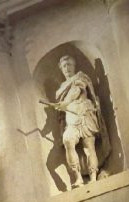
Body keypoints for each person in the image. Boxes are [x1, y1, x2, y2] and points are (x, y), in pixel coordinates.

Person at [45, 54, 106, 189]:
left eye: (69, 65)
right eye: (64, 66)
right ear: (61, 69)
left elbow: (77, 90)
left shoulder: (80, 77)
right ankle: (78, 177)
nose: (67, 68)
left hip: (84, 113)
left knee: (88, 146)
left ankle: (93, 177)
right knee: (68, 140)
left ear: (74, 66)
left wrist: (64, 103)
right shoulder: (61, 87)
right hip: (71, 118)